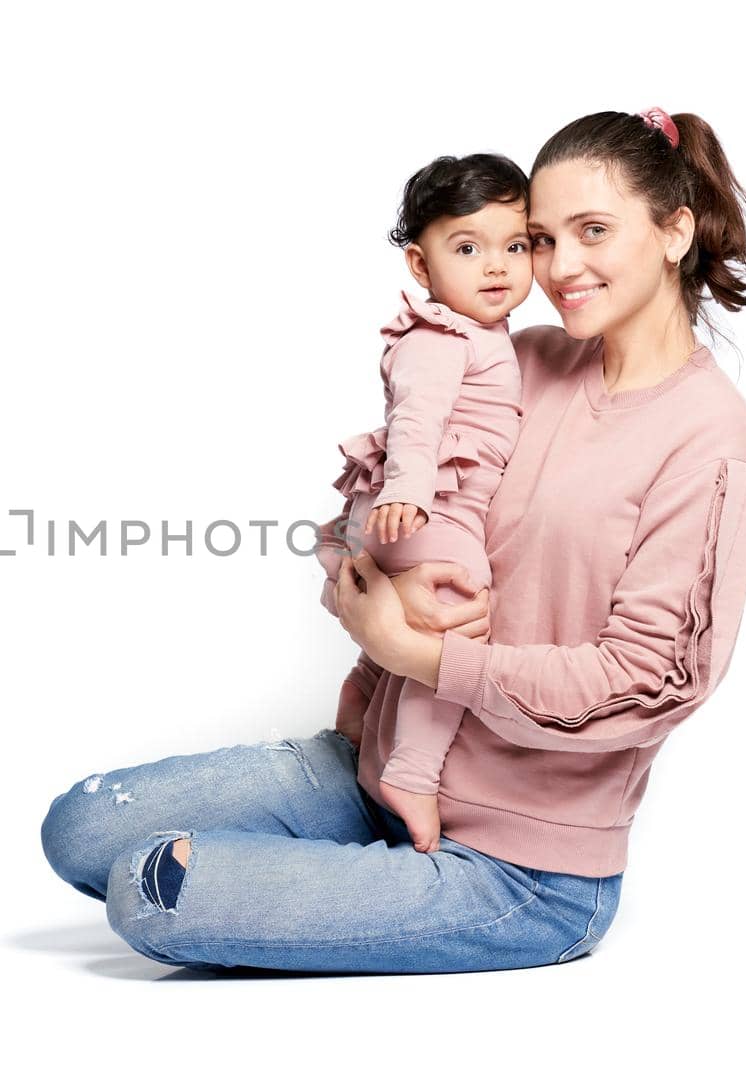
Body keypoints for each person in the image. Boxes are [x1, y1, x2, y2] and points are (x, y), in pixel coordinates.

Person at [39, 107, 746, 974]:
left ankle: (360, 896)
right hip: (375, 775)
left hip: (522, 870)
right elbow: (364, 509)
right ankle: (350, 869)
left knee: (151, 889)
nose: (558, 267)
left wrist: (416, 654)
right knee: (80, 827)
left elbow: (645, 686)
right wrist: (376, 596)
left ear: (675, 230)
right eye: (540, 238)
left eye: (594, 231)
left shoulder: (715, 446)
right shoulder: (518, 357)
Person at [315, 152, 531, 854]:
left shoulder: (485, 334)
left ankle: (363, 691)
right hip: (429, 513)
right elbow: (417, 417)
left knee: (411, 616)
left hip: (401, 519)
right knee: (459, 628)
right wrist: (409, 490)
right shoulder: (442, 336)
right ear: (420, 265)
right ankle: (413, 770)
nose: (495, 266)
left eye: (516, 246)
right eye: (467, 248)